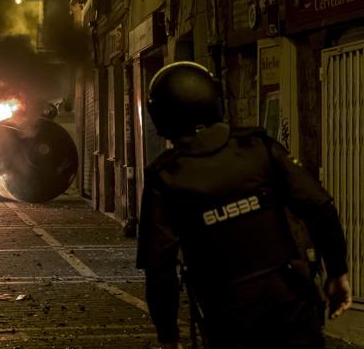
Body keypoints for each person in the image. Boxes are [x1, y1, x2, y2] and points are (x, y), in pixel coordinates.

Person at [136, 61, 352, 349]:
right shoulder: (258, 148)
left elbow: (159, 268)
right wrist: (337, 273)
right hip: (292, 304)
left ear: (160, 116)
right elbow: (320, 207)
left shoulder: (165, 177)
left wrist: (168, 338)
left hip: (229, 316)